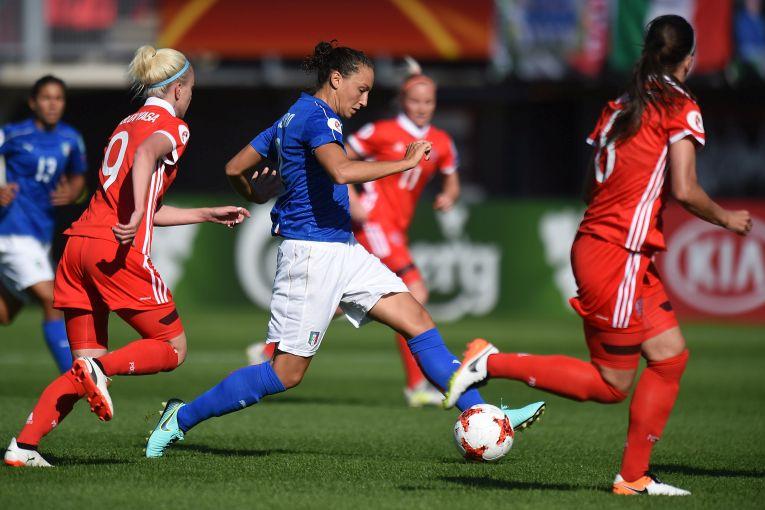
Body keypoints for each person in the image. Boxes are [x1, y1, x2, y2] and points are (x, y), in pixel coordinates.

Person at [146, 41, 545, 459]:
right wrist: (405, 163)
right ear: (336, 79)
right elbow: (340, 170)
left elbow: (234, 168)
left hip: (343, 249)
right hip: (311, 255)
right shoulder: (320, 117)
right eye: (361, 89)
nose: (365, 99)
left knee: (417, 320)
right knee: (285, 374)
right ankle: (180, 417)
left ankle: (484, 412)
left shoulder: (293, 115)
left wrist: (254, 192)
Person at [444, 15, 753, 496]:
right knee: (610, 384)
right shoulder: (678, 106)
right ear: (688, 59)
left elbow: (592, 183)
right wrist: (729, 219)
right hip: (619, 255)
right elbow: (686, 189)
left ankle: (633, 477)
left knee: (669, 357)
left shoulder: (621, 105)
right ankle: (491, 362)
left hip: (610, 247)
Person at [4, 45, 249, 468]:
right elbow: (146, 157)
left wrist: (204, 214)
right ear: (176, 90)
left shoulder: (127, 121)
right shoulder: (172, 125)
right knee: (172, 348)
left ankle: (23, 446)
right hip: (113, 251)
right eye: (190, 90)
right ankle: (100, 372)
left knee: (83, 363)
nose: (191, 98)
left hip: (78, 245)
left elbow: (140, 195)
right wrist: (137, 213)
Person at [247, 58, 459, 408]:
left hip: (396, 227)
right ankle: (417, 386)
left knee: (348, 296)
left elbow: (452, 177)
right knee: (415, 292)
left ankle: (272, 347)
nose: (422, 108)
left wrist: (449, 195)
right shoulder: (381, 131)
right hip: (375, 223)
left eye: (429, 102)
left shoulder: (442, 140)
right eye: (416, 100)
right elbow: (341, 161)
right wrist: (355, 198)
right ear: (404, 101)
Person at [0, 75, 87, 373]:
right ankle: (76, 379)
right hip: (11, 231)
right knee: (53, 299)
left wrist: (74, 191)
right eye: (47, 98)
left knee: (5, 313)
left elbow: (79, 177)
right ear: (33, 103)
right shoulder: (11, 134)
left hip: (40, 234)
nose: (53, 104)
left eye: (59, 98)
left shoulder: (70, 139)